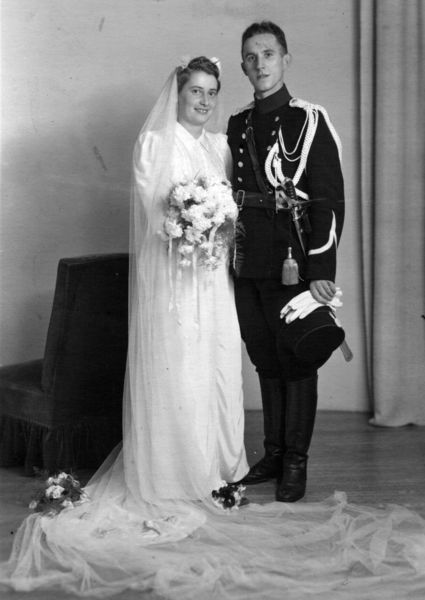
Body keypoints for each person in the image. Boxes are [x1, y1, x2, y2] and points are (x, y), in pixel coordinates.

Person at [1, 53, 424, 600]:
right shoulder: (156, 143)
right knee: (180, 371)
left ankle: (219, 468)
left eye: (210, 92)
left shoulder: (220, 143)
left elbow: (251, 205)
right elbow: (156, 216)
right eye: (194, 91)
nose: (202, 100)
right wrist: (190, 224)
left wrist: (220, 228)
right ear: (177, 95)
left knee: (216, 368)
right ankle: (177, 473)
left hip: (217, 282)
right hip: (177, 283)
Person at [227, 21, 345, 502]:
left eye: (268, 54)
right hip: (247, 259)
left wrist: (321, 271)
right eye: (251, 57)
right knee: (263, 356)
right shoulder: (237, 123)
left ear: (285, 59)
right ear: (243, 66)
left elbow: (329, 200)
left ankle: (296, 462)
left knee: (296, 357)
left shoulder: (310, 119)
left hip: (293, 259)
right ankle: (273, 454)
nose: (260, 64)